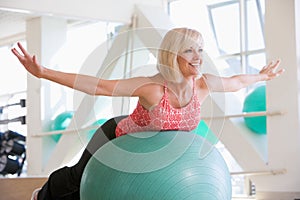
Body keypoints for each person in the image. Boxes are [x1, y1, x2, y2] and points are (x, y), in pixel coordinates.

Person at [11, 28, 284, 200]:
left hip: (153, 156)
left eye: (200, 49)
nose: (198, 56)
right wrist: (44, 72)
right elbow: (101, 86)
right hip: (115, 135)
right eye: (189, 50)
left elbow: (236, 82)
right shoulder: (153, 89)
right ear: (172, 55)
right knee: (77, 177)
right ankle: (42, 194)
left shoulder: (202, 85)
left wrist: (261, 76)